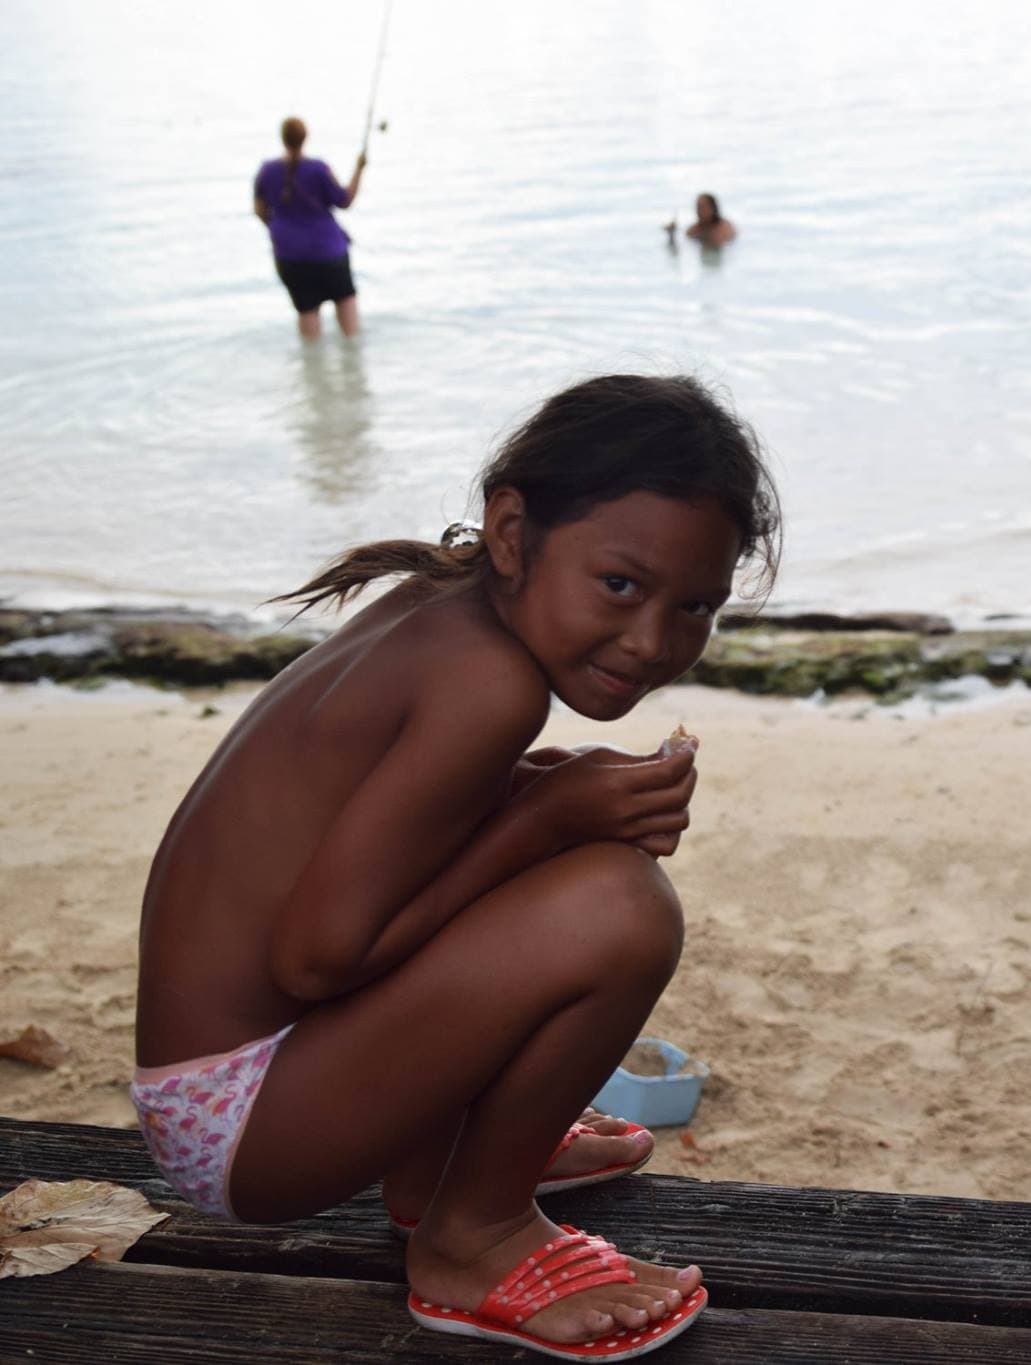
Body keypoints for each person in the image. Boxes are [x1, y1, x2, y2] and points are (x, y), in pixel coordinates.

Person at [131, 374, 781, 1357]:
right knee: (618, 904)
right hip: (246, 1122)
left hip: (232, 1087)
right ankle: (473, 1237)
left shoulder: (437, 609)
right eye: (620, 584)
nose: (653, 640)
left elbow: (385, 835)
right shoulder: (488, 684)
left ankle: (436, 1170)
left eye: (695, 606)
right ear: (514, 533)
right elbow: (317, 961)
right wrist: (544, 817)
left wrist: (529, 793)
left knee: (567, 847)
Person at [254, 117, 366, 340]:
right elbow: (345, 200)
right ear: (305, 138)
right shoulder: (318, 169)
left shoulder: (267, 171)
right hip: (329, 251)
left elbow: (259, 211)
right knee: (345, 303)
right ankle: (354, 367)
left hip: (290, 255)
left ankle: (311, 370)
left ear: (283, 139)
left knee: (307, 311)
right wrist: (359, 168)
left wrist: (280, 228)